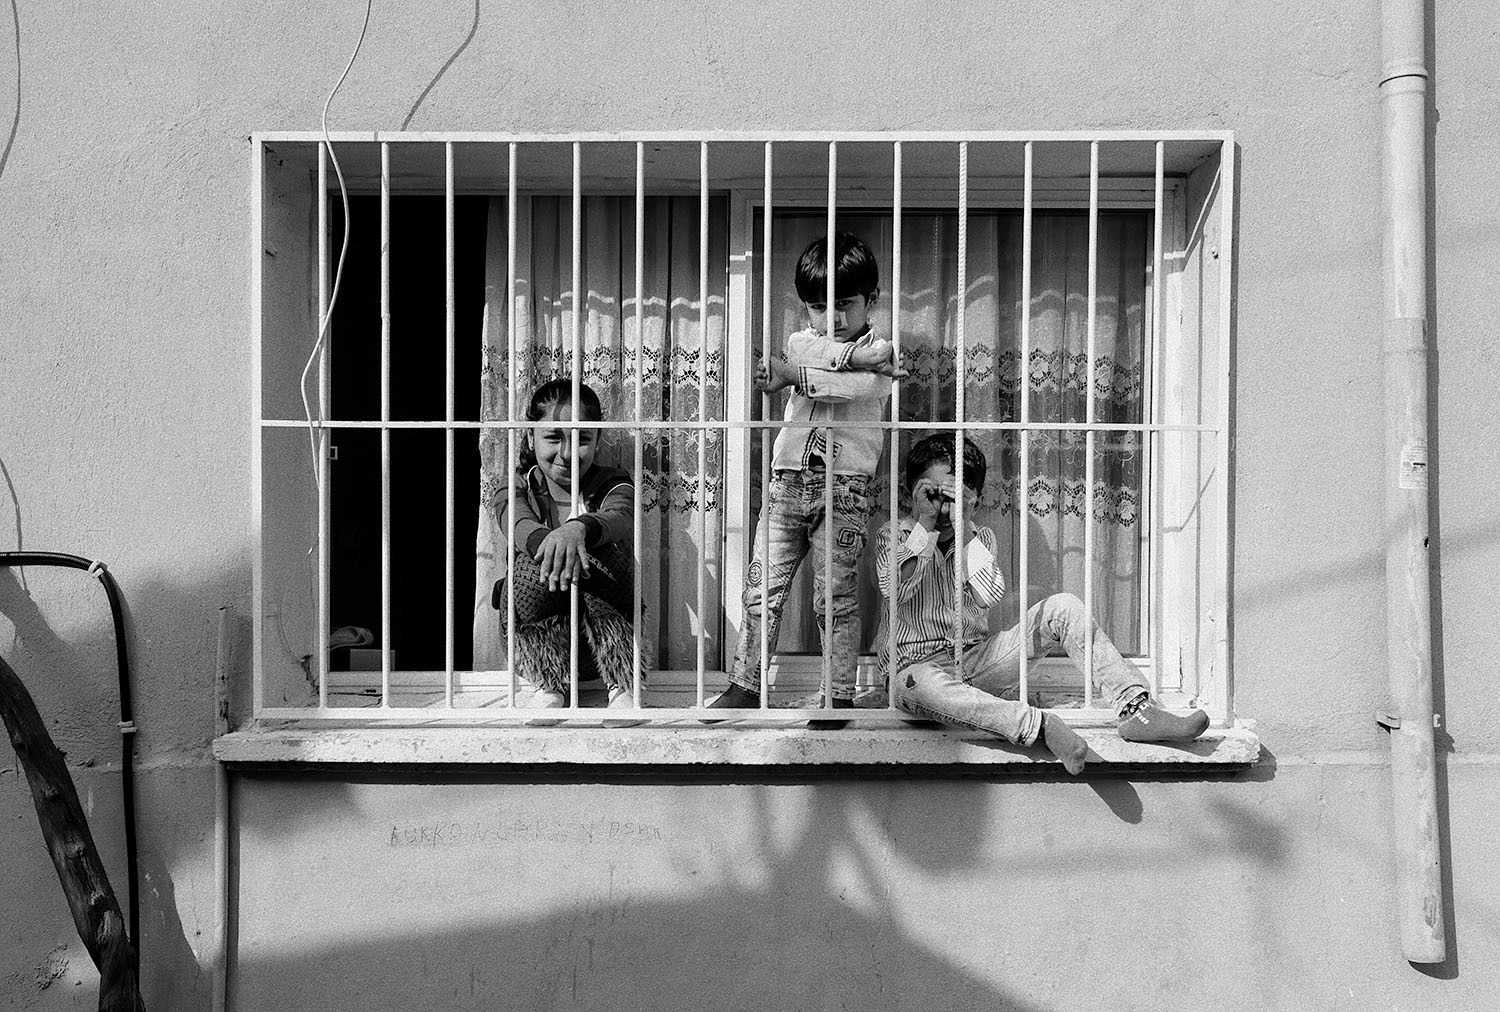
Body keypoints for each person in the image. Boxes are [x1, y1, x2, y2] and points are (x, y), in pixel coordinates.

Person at [875, 434, 1209, 774]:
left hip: (975, 663)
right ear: (911, 492)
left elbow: (987, 595)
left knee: (1064, 607)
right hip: (912, 671)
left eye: (953, 496)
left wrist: (962, 530)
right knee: (927, 683)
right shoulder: (895, 534)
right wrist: (925, 527)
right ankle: (1040, 726)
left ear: (973, 498)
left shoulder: (980, 538)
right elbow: (895, 590)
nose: (941, 505)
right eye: (931, 493)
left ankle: (1136, 709)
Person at [709, 232, 903, 728]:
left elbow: (851, 389)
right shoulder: (801, 342)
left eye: (844, 304)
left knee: (834, 596)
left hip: (846, 487)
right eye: (819, 307)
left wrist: (801, 374)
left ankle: (836, 695)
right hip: (787, 481)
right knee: (761, 589)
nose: (832, 319)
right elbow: (807, 358)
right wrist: (825, 362)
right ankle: (746, 683)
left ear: (871, 301)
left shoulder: (883, 356)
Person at [491, 378, 640, 720]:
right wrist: (557, 540)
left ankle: (621, 683)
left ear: (598, 440)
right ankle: (549, 686)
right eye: (554, 437)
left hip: (601, 646)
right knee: (534, 559)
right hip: (535, 640)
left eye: (582, 439)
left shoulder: (613, 481)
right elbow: (518, 525)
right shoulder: (517, 486)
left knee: (596, 546)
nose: (568, 454)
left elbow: (619, 516)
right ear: (530, 437)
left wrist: (578, 529)